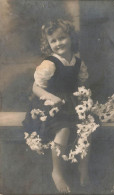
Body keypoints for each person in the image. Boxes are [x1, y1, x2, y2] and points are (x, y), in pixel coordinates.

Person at [23, 18, 89, 193]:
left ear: (70, 38)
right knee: (64, 128)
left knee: (87, 127)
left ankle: (83, 166)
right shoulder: (49, 64)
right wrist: (50, 97)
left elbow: (80, 83)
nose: (59, 43)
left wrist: (83, 99)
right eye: (54, 40)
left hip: (72, 102)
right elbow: (36, 87)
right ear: (49, 44)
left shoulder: (77, 62)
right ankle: (57, 171)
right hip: (50, 103)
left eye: (62, 38)